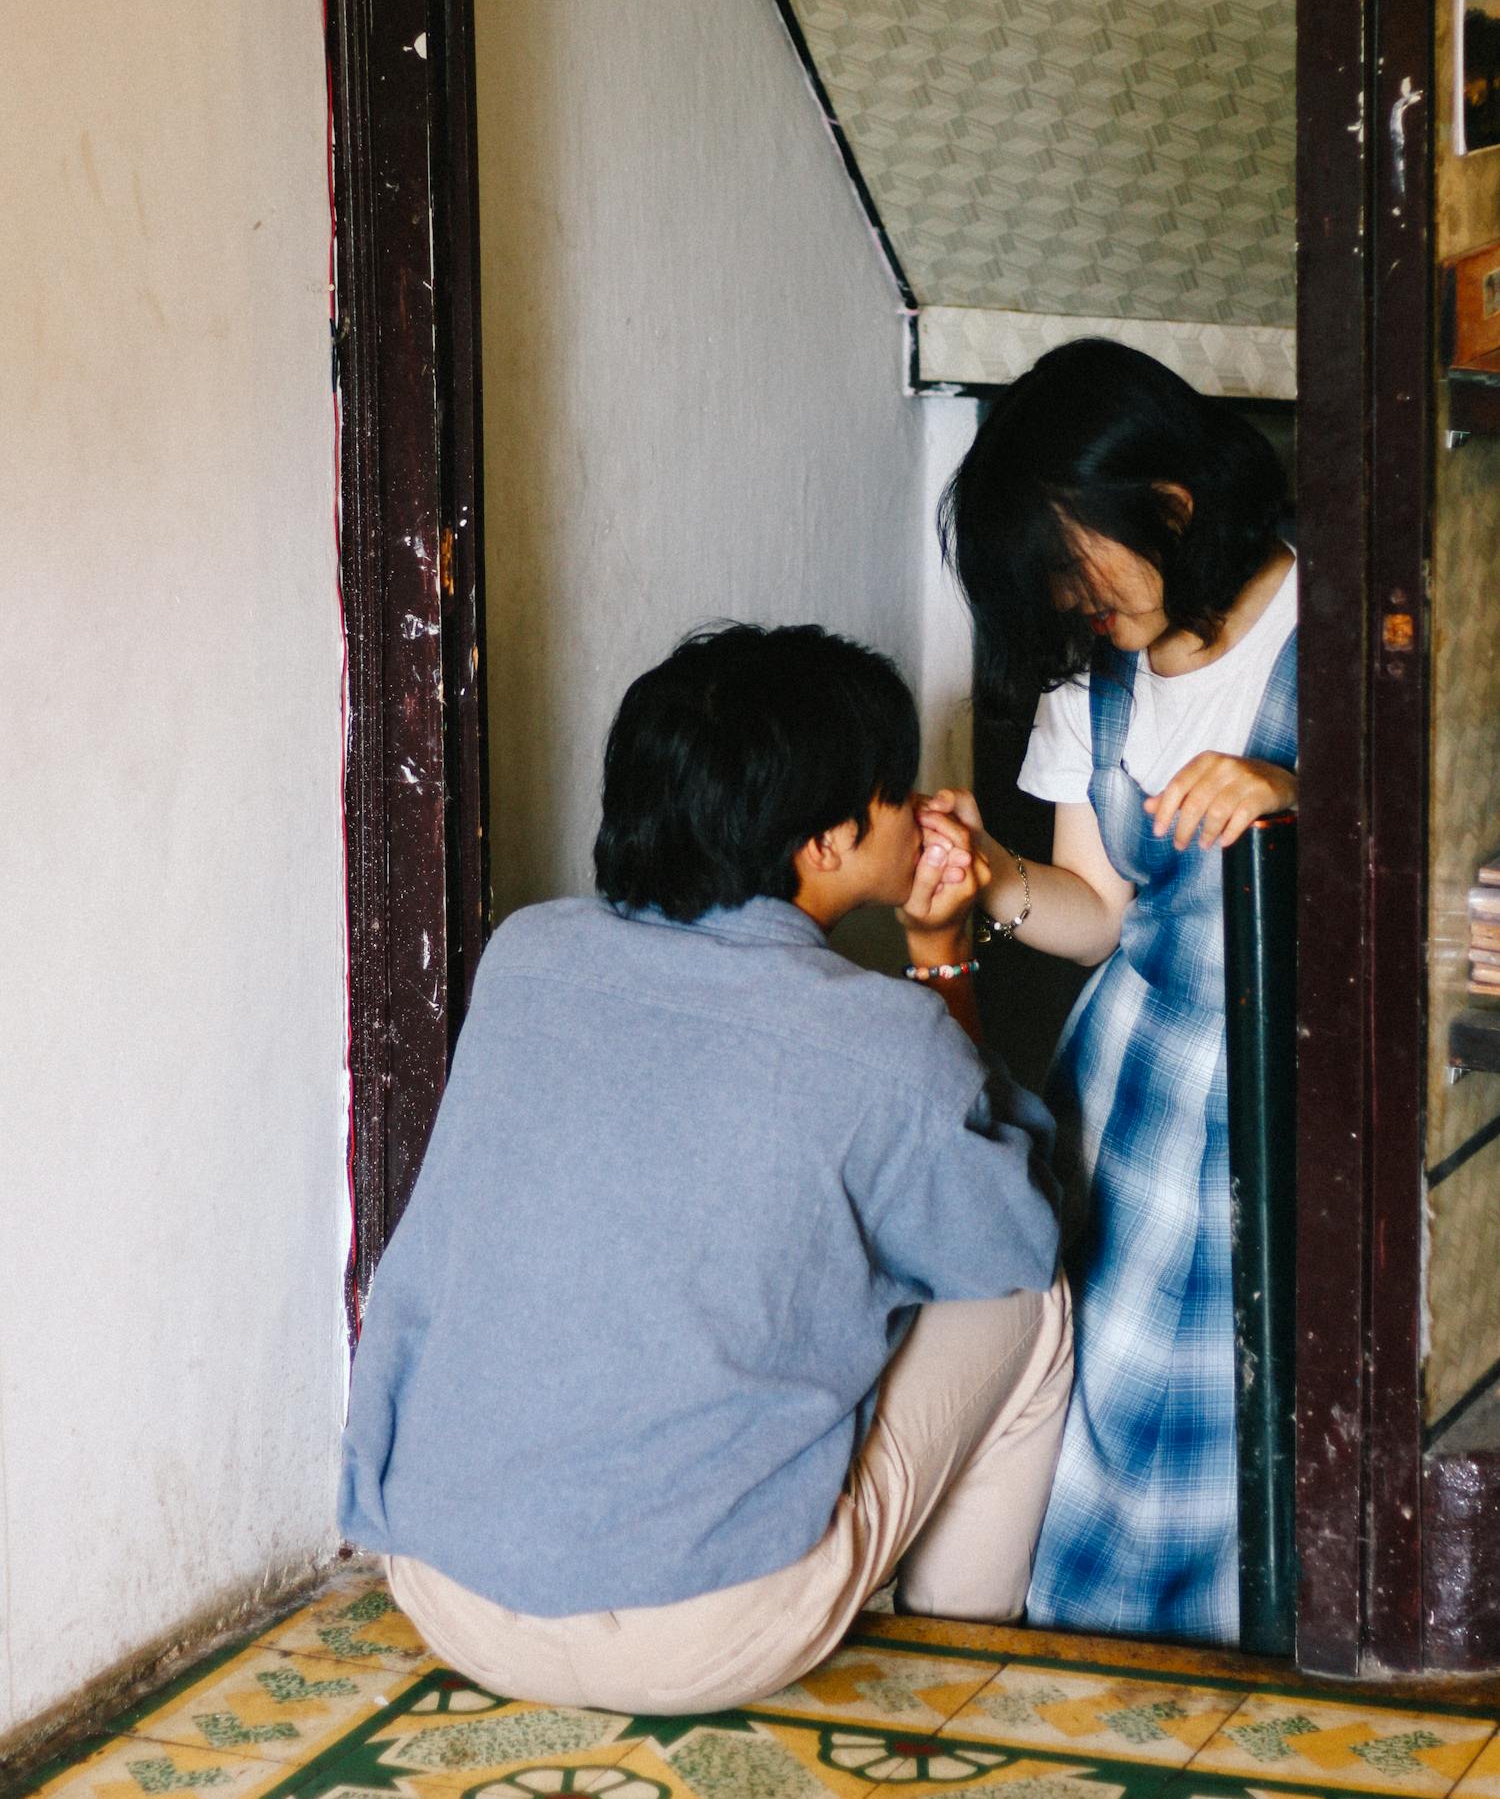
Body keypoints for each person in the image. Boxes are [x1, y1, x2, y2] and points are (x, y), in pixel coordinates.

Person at [339, 623, 1071, 1714]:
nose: (919, 811)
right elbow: (1011, 1237)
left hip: (447, 1588)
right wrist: (939, 957)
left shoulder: (527, 955)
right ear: (824, 842)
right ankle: (961, 1652)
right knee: (1031, 1295)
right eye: (895, 791)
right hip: (700, 1636)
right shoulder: (878, 1039)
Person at [935, 339, 1296, 1645]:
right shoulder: (1096, 685)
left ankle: (1246, 1667)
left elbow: (1428, 869)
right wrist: (992, 877)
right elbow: (1101, 920)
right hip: (1132, 1091)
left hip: (1279, 1098)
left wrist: (1297, 798)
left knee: (1244, 1411)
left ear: (1172, 503)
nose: (1070, 605)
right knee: (1101, 1396)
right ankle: (1102, 1686)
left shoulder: (1339, 620)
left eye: (1076, 564)